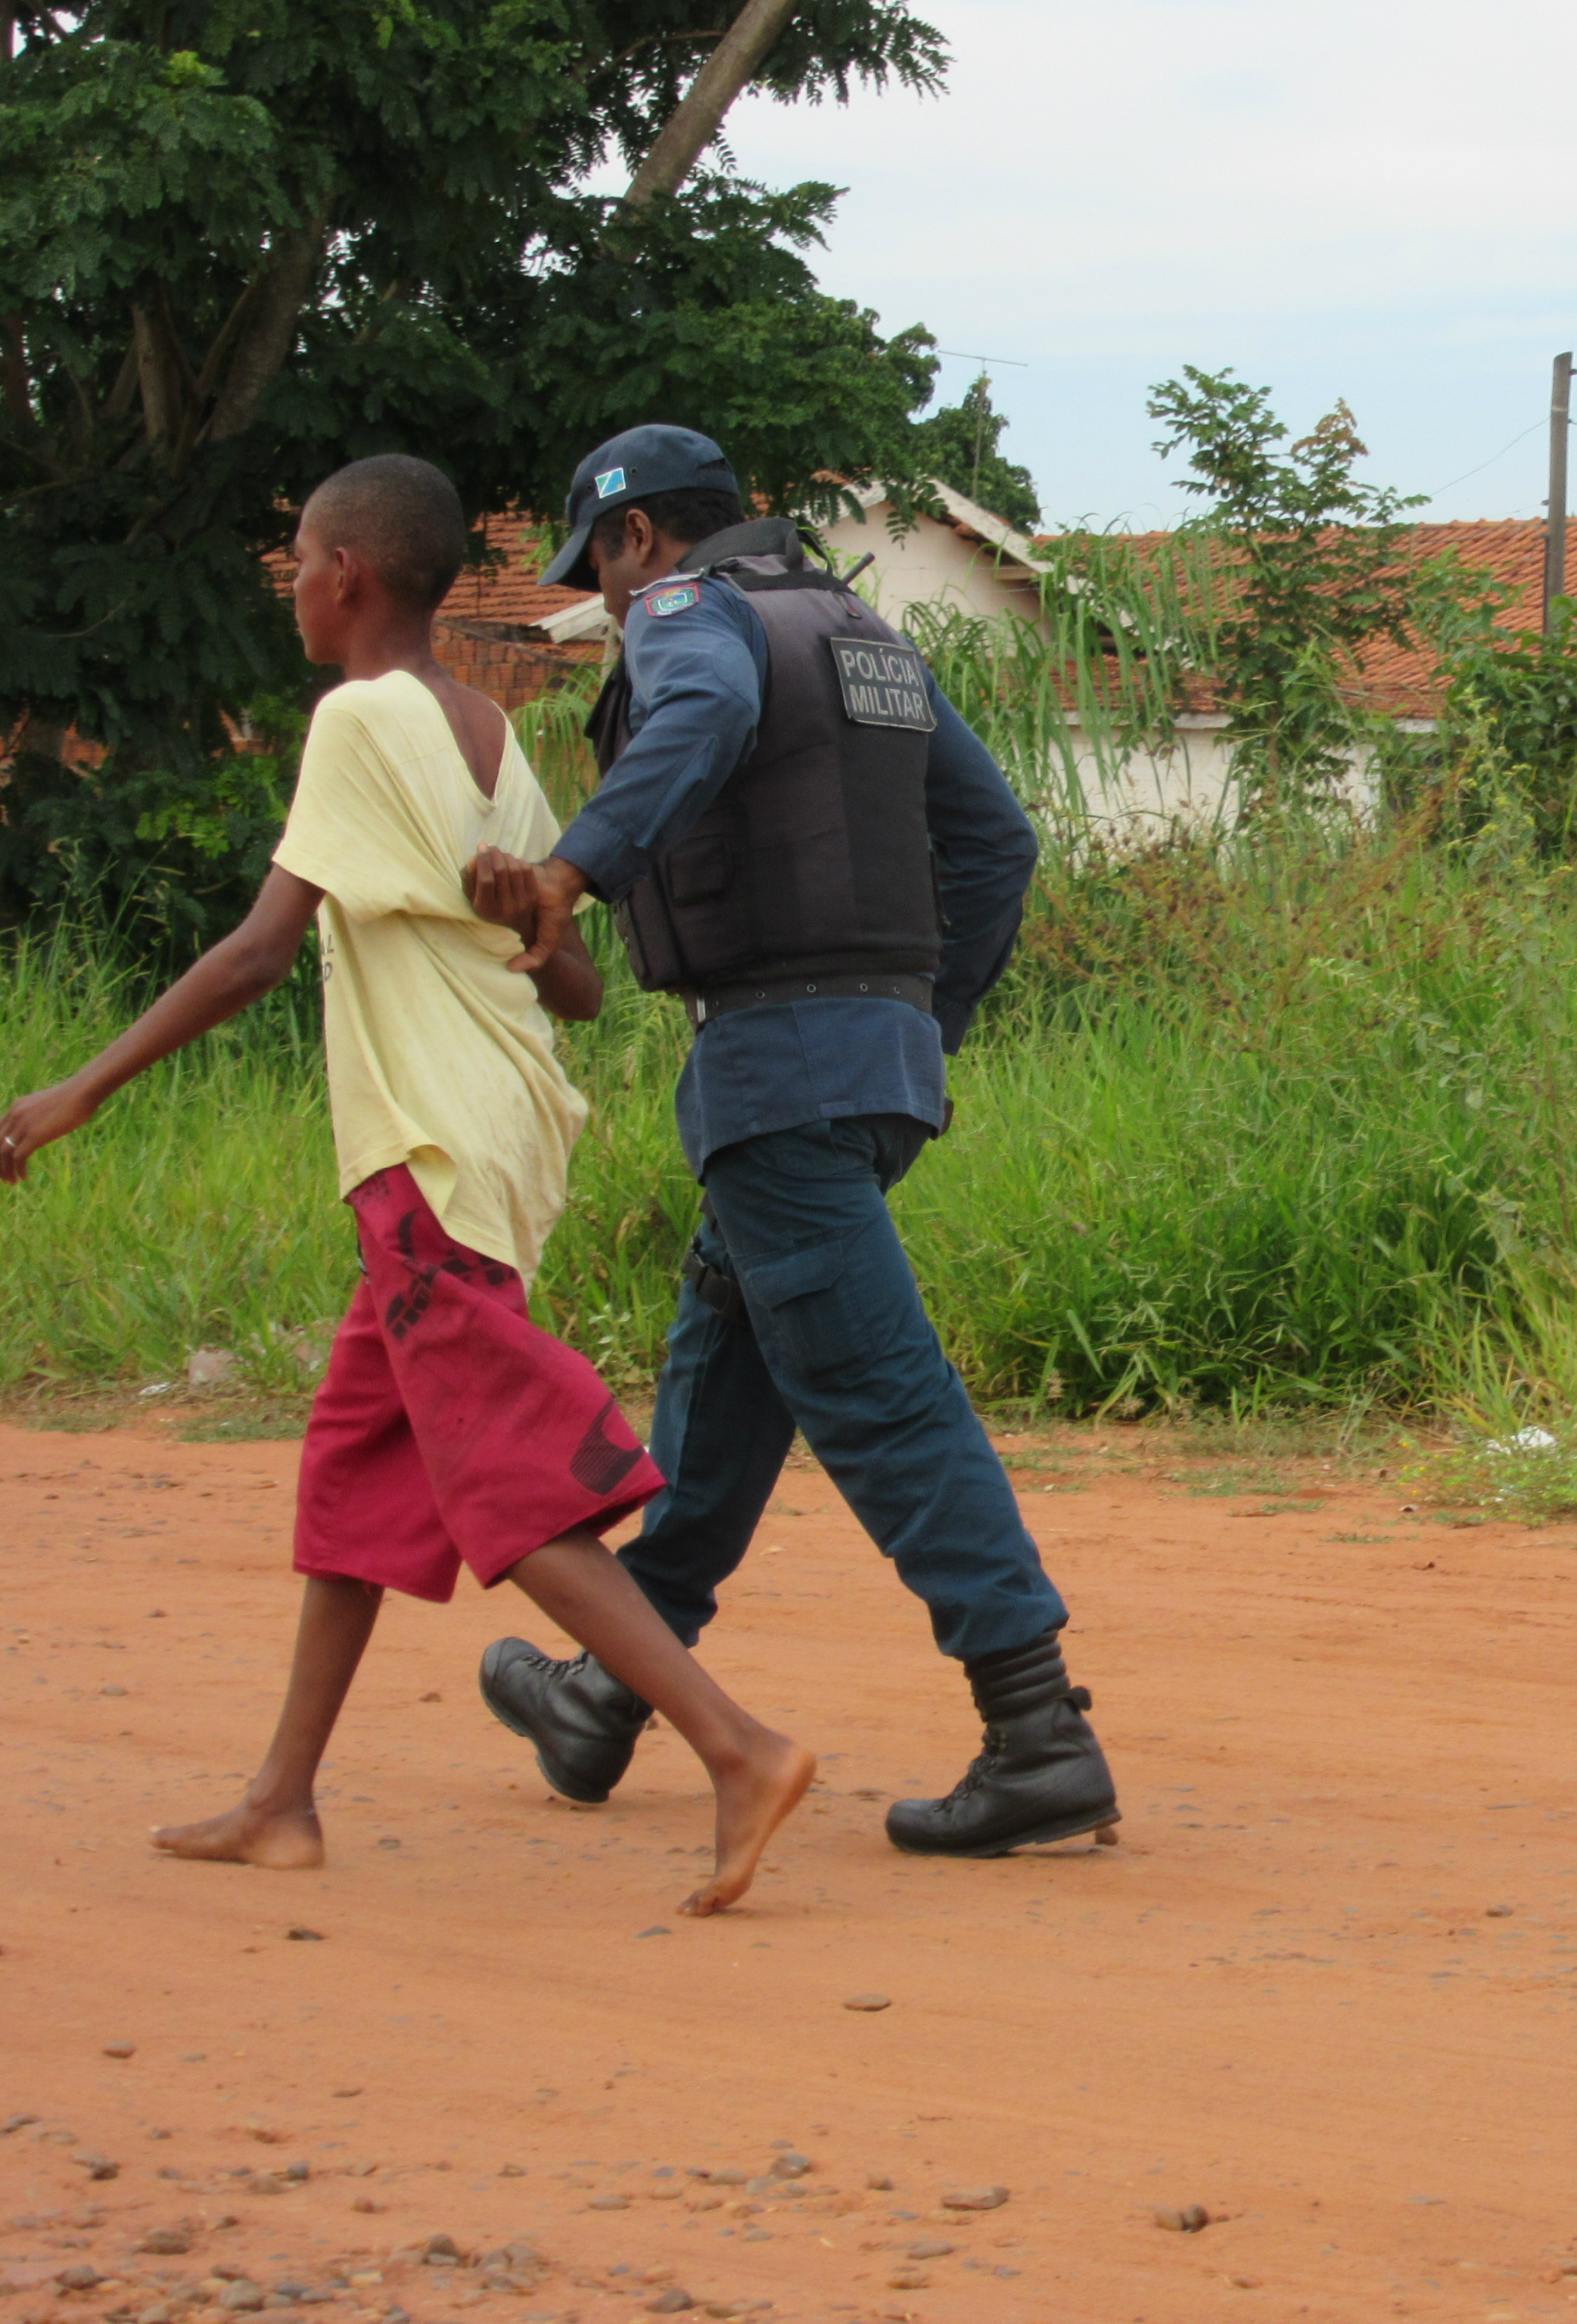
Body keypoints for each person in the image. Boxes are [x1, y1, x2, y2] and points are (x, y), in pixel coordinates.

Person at [0, 455, 814, 1917]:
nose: (292, 584)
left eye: (300, 560)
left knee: (504, 1477)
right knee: (361, 1474)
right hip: (486, 1136)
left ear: (350, 576)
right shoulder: (487, 733)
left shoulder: (360, 718)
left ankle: (735, 1746)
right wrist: (524, 908)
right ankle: (281, 1800)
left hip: (425, 1151)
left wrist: (76, 1093)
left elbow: (256, 952)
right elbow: (568, 983)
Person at [474, 424, 1118, 1858]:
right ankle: (606, 1699)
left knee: (884, 1399)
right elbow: (997, 844)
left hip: (778, 1074)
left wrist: (573, 872)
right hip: (872, 1068)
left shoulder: (696, 622)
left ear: (643, 540)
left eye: (605, 573)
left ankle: (1038, 1734)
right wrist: (918, 1021)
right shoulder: (858, 633)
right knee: (724, 1369)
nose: (612, 606)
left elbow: (694, 721)